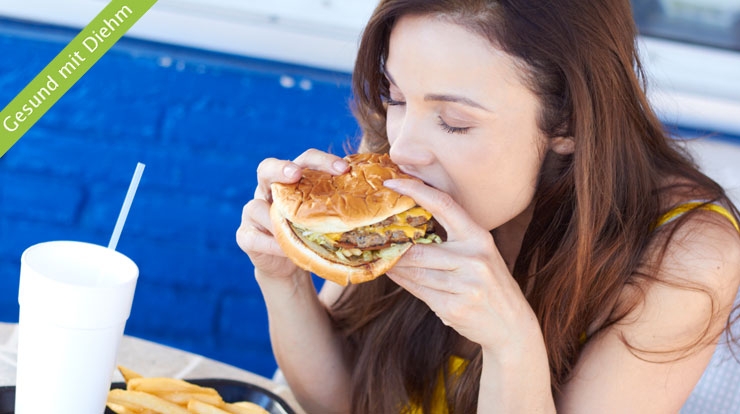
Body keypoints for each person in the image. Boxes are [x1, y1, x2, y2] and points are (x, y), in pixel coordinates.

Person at [236, 0, 740, 412]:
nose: (402, 149)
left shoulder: (688, 252)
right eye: (396, 97)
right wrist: (283, 279)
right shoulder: (402, 172)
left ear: (569, 122)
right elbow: (341, 405)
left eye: (454, 121)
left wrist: (510, 343)